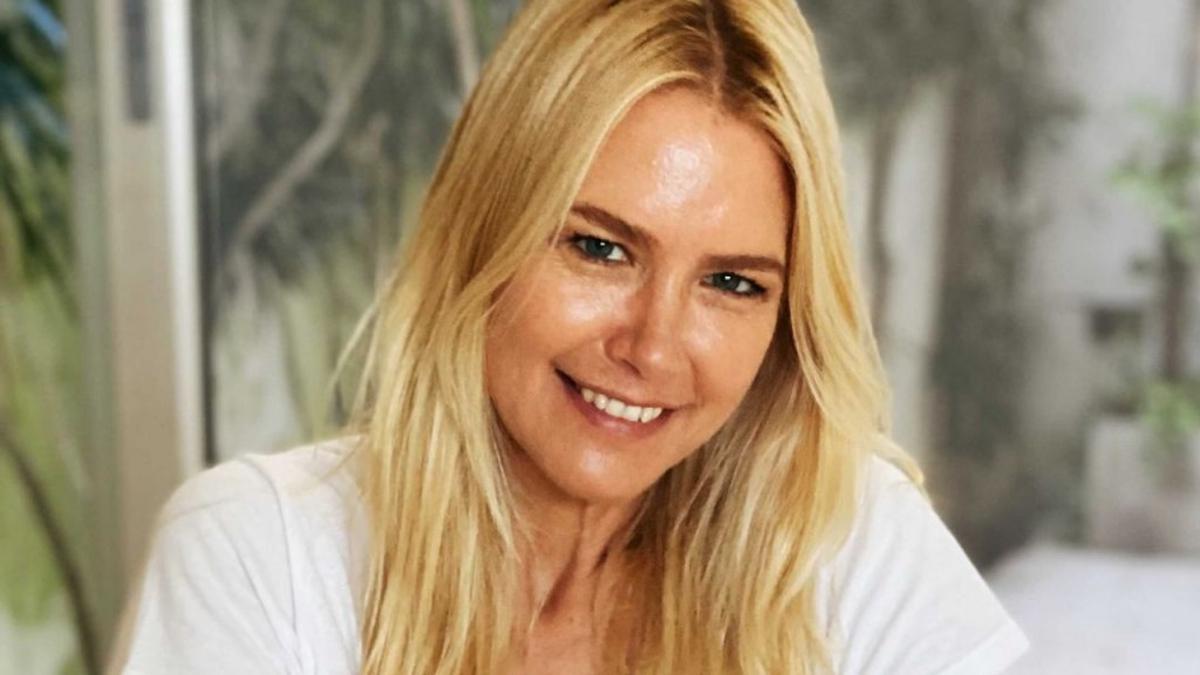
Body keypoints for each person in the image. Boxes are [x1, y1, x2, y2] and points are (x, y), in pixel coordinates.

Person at [110, 0, 1030, 673]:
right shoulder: (263, 557)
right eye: (599, 248)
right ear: (484, 232)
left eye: (731, 283)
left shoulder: (839, 542)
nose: (653, 347)